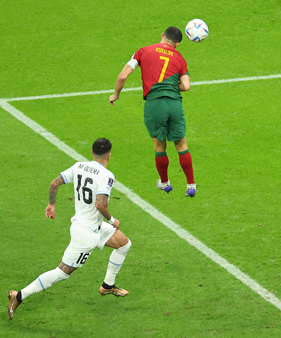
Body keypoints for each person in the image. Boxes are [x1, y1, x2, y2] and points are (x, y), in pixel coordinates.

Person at [7, 138, 132, 320]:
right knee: (62, 272)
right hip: (86, 235)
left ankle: (107, 285)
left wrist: (51, 204)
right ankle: (18, 295)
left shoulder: (78, 166)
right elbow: (100, 205)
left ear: (91, 152)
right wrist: (113, 220)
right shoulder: (106, 175)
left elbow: (54, 183)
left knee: (124, 244)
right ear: (109, 155)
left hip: (93, 226)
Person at [108, 26, 196, 197]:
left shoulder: (142, 52)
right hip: (174, 104)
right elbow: (186, 86)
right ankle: (191, 185)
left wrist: (115, 95)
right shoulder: (180, 58)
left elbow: (123, 76)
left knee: (160, 146)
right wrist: (171, 86)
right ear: (176, 44)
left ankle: (165, 183)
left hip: (155, 104)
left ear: (162, 35)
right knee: (182, 145)